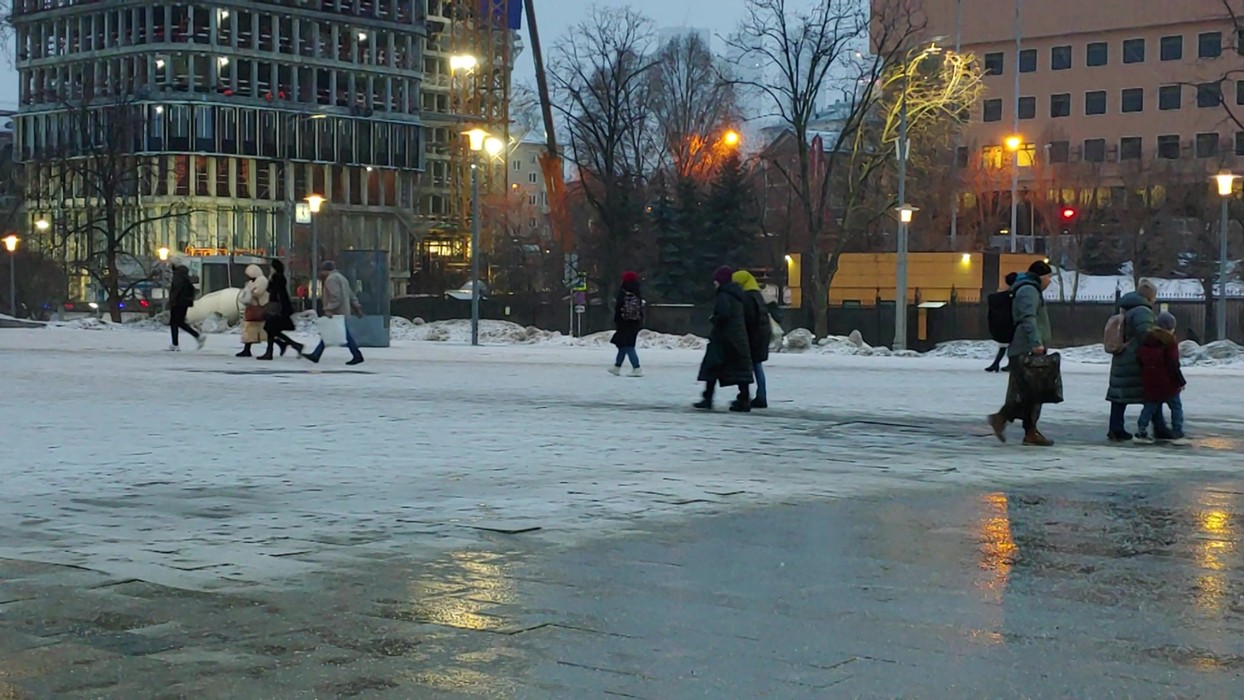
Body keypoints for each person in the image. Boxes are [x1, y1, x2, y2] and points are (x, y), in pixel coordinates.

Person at [988, 260, 1055, 446]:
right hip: (1026, 348)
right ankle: (1004, 419)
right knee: (1031, 392)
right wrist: (1036, 343)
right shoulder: (1029, 290)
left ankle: (1028, 430)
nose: (1050, 281)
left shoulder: (1028, 289)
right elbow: (1028, 318)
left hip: (1026, 347)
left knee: (1030, 392)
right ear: (1041, 276)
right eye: (1049, 277)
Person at [695, 266, 754, 412]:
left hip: (723, 338)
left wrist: (713, 319)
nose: (714, 283)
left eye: (716, 280)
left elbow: (724, 314)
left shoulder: (723, 295)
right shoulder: (737, 295)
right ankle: (744, 398)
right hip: (737, 337)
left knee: (711, 367)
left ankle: (707, 398)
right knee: (740, 370)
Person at [1106, 279, 1158, 442]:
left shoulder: (1126, 308)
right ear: (1150, 296)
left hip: (1122, 357)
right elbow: (1146, 334)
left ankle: (1115, 428)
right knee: (1153, 393)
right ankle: (1159, 427)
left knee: (1119, 396)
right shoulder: (1143, 311)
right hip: (1134, 359)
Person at [1136, 311, 1187, 445]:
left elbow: (1140, 359)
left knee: (1149, 407)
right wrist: (1180, 381)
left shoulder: (1147, 339)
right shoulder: (1170, 342)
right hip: (1168, 383)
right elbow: (1173, 365)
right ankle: (1177, 431)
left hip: (1151, 381)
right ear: (1170, 327)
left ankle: (1141, 430)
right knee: (1176, 407)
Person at [302, 261, 364, 366]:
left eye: (322, 270)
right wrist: (357, 308)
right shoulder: (342, 278)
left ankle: (357, 355)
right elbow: (351, 294)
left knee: (343, 334)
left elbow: (336, 296)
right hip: (343, 310)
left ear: (326, 270)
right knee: (330, 332)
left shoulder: (331, 280)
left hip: (336, 311)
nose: (321, 273)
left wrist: (329, 309)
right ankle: (316, 354)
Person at [732, 269, 772, 409]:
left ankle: (754, 396)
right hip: (761, 336)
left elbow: (748, 319)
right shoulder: (757, 295)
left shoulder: (748, 297)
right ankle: (761, 395)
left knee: (752, 366)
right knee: (757, 366)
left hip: (753, 337)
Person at [257, 258, 303, 360]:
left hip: (277, 307)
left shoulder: (277, 277)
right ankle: (291, 345)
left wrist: (270, 280)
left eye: (271, 267)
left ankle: (273, 351)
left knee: (270, 329)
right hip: (279, 306)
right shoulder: (279, 277)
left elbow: (273, 291)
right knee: (271, 330)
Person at [609, 271, 644, 377]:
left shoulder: (624, 291)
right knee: (623, 345)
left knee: (628, 346)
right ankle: (617, 367)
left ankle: (636, 368)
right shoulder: (637, 292)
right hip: (634, 322)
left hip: (624, 322)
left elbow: (619, 307)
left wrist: (617, 320)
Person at [985, 272, 1020, 373]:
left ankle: (997, 363)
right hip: (1011, 322)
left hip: (1003, 323)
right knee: (1012, 344)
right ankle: (1008, 363)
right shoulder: (1014, 296)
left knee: (1004, 345)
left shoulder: (1002, 297)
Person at [167, 260, 205, 352]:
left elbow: (176, 289)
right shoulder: (184, 274)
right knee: (179, 322)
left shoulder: (177, 276)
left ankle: (175, 344)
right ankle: (197, 336)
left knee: (174, 322)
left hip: (178, 302)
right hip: (184, 302)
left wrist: (172, 301)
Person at [236, 264, 269, 358]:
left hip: (258, 307)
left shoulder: (261, 280)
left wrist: (250, 290)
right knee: (250, 328)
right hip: (253, 307)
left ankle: (247, 349)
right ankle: (247, 349)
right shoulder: (254, 281)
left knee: (255, 328)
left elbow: (258, 292)